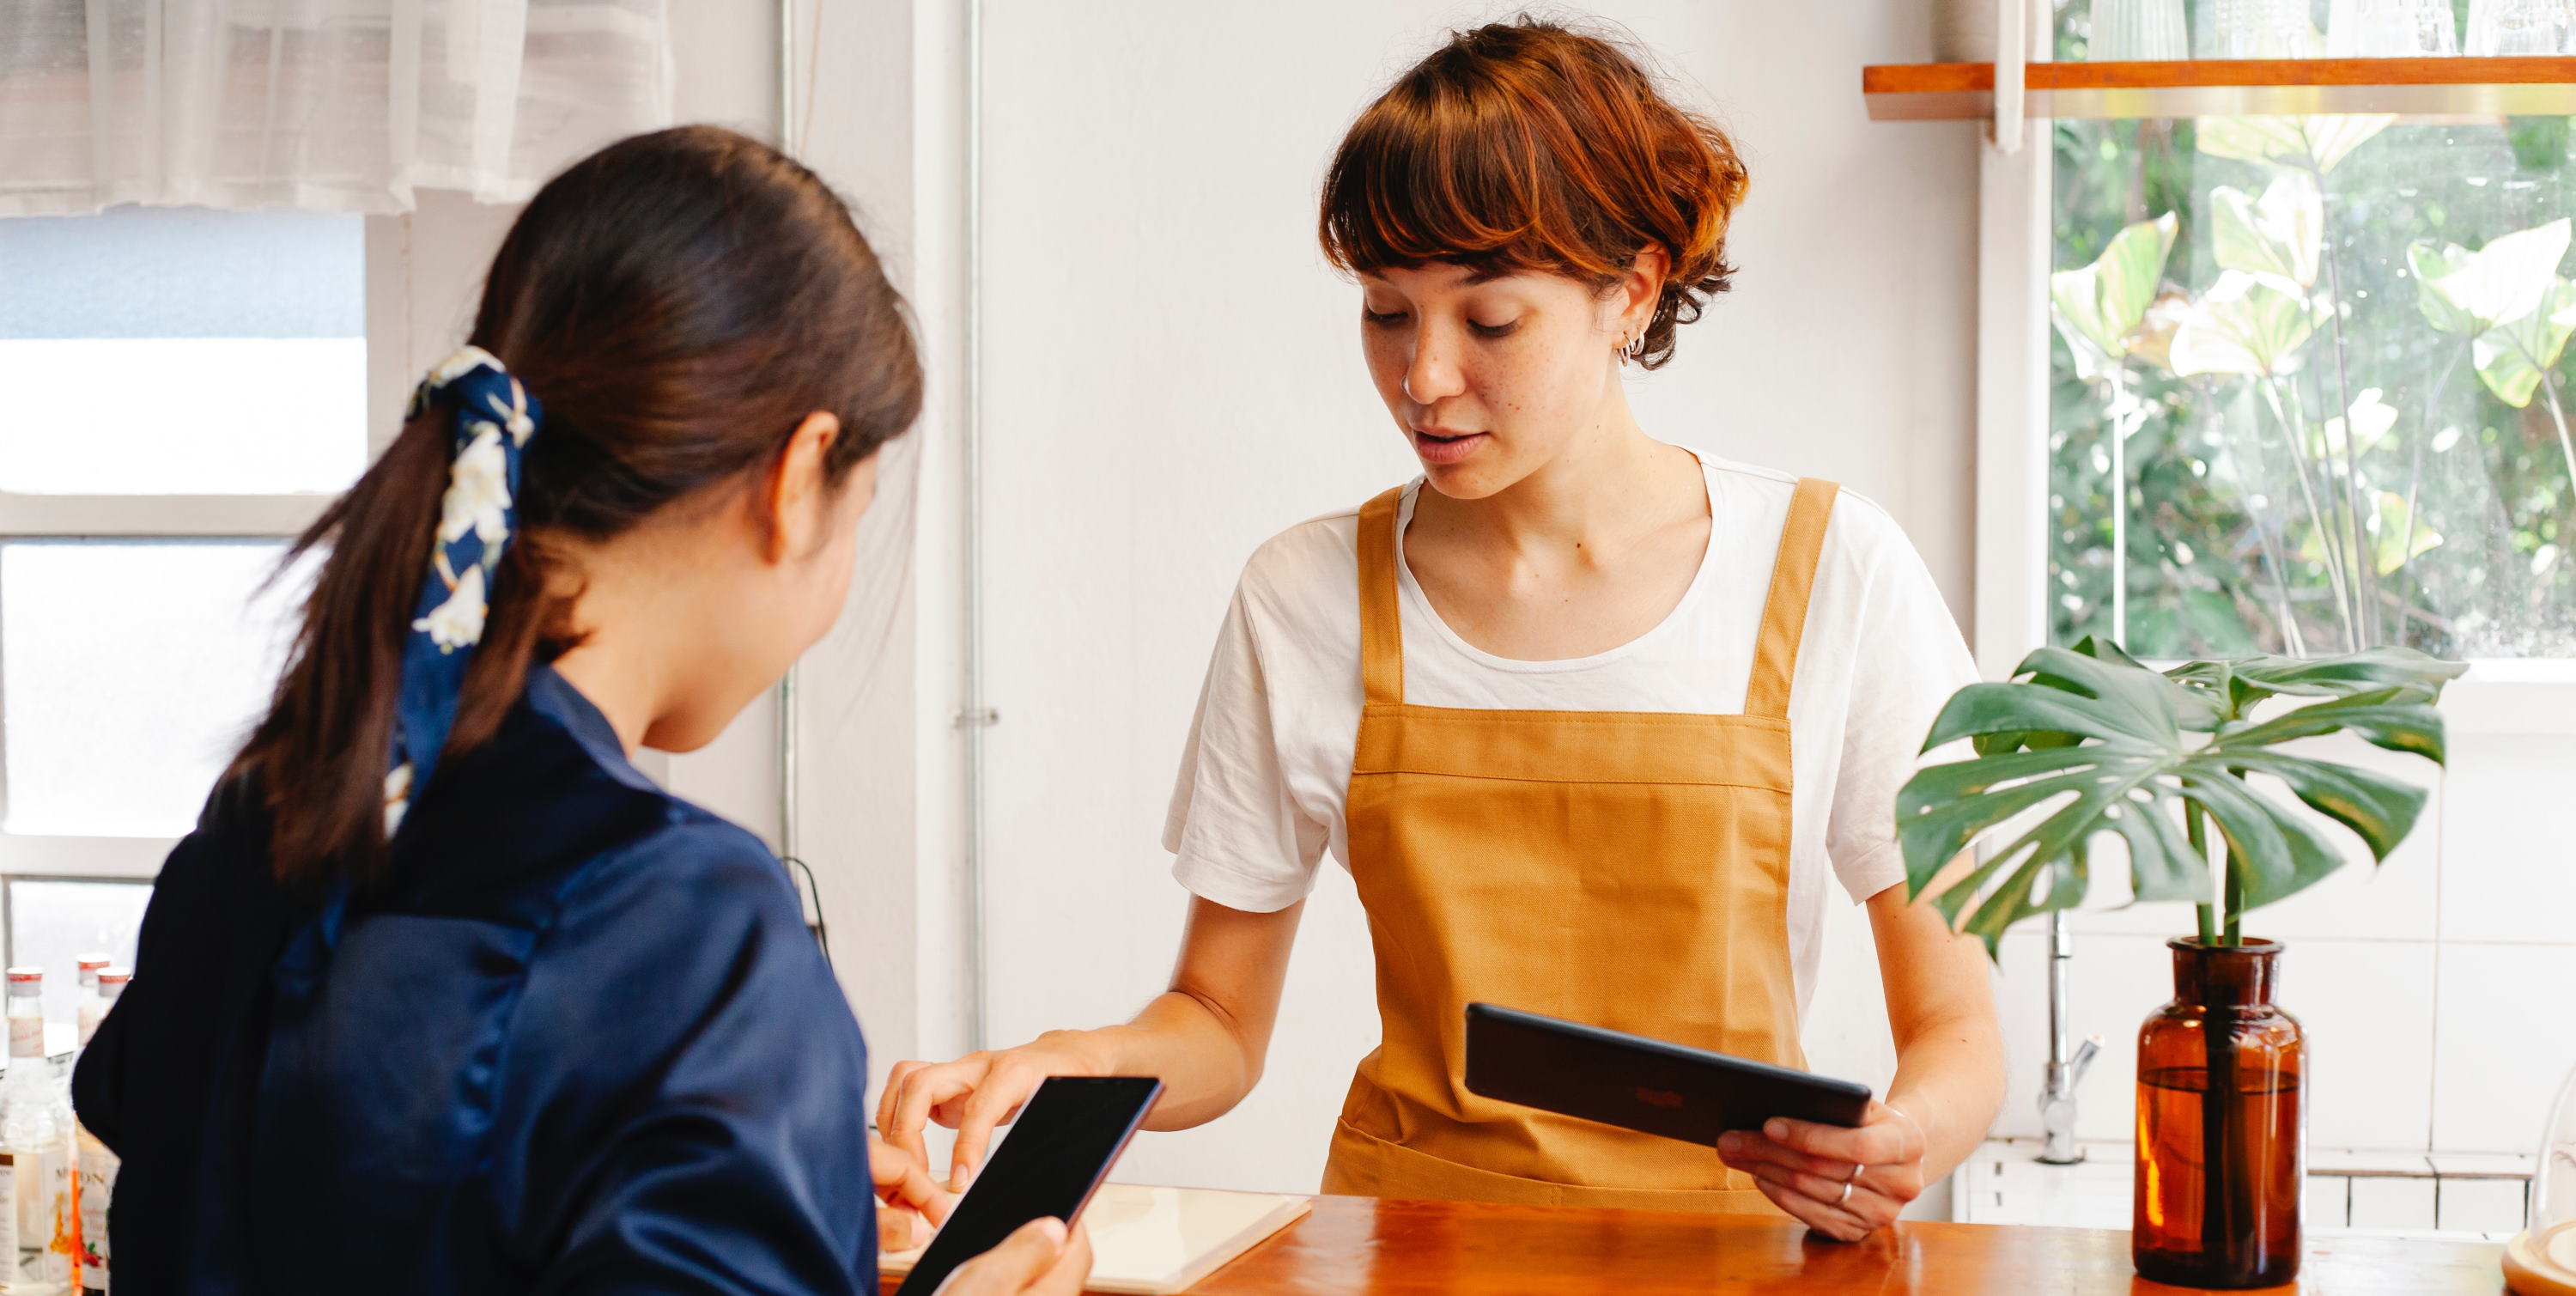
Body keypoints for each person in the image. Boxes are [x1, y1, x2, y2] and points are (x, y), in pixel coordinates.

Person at [878, 20, 2005, 1240]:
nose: (1422, 376)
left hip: (1726, 1252)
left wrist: (1904, 1137)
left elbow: (1958, 1030)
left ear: (1629, 288)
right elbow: (1215, 1016)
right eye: (1384, 311)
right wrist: (1073, 1060)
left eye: (1489, 322)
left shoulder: (1833, 570)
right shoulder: (1303, 593)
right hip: (1408, 1246)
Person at [71, 125, 1081, 1296]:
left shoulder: (275, 808)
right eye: (856, 510)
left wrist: (738, 1159)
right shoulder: (689, 928)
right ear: (798, 480)